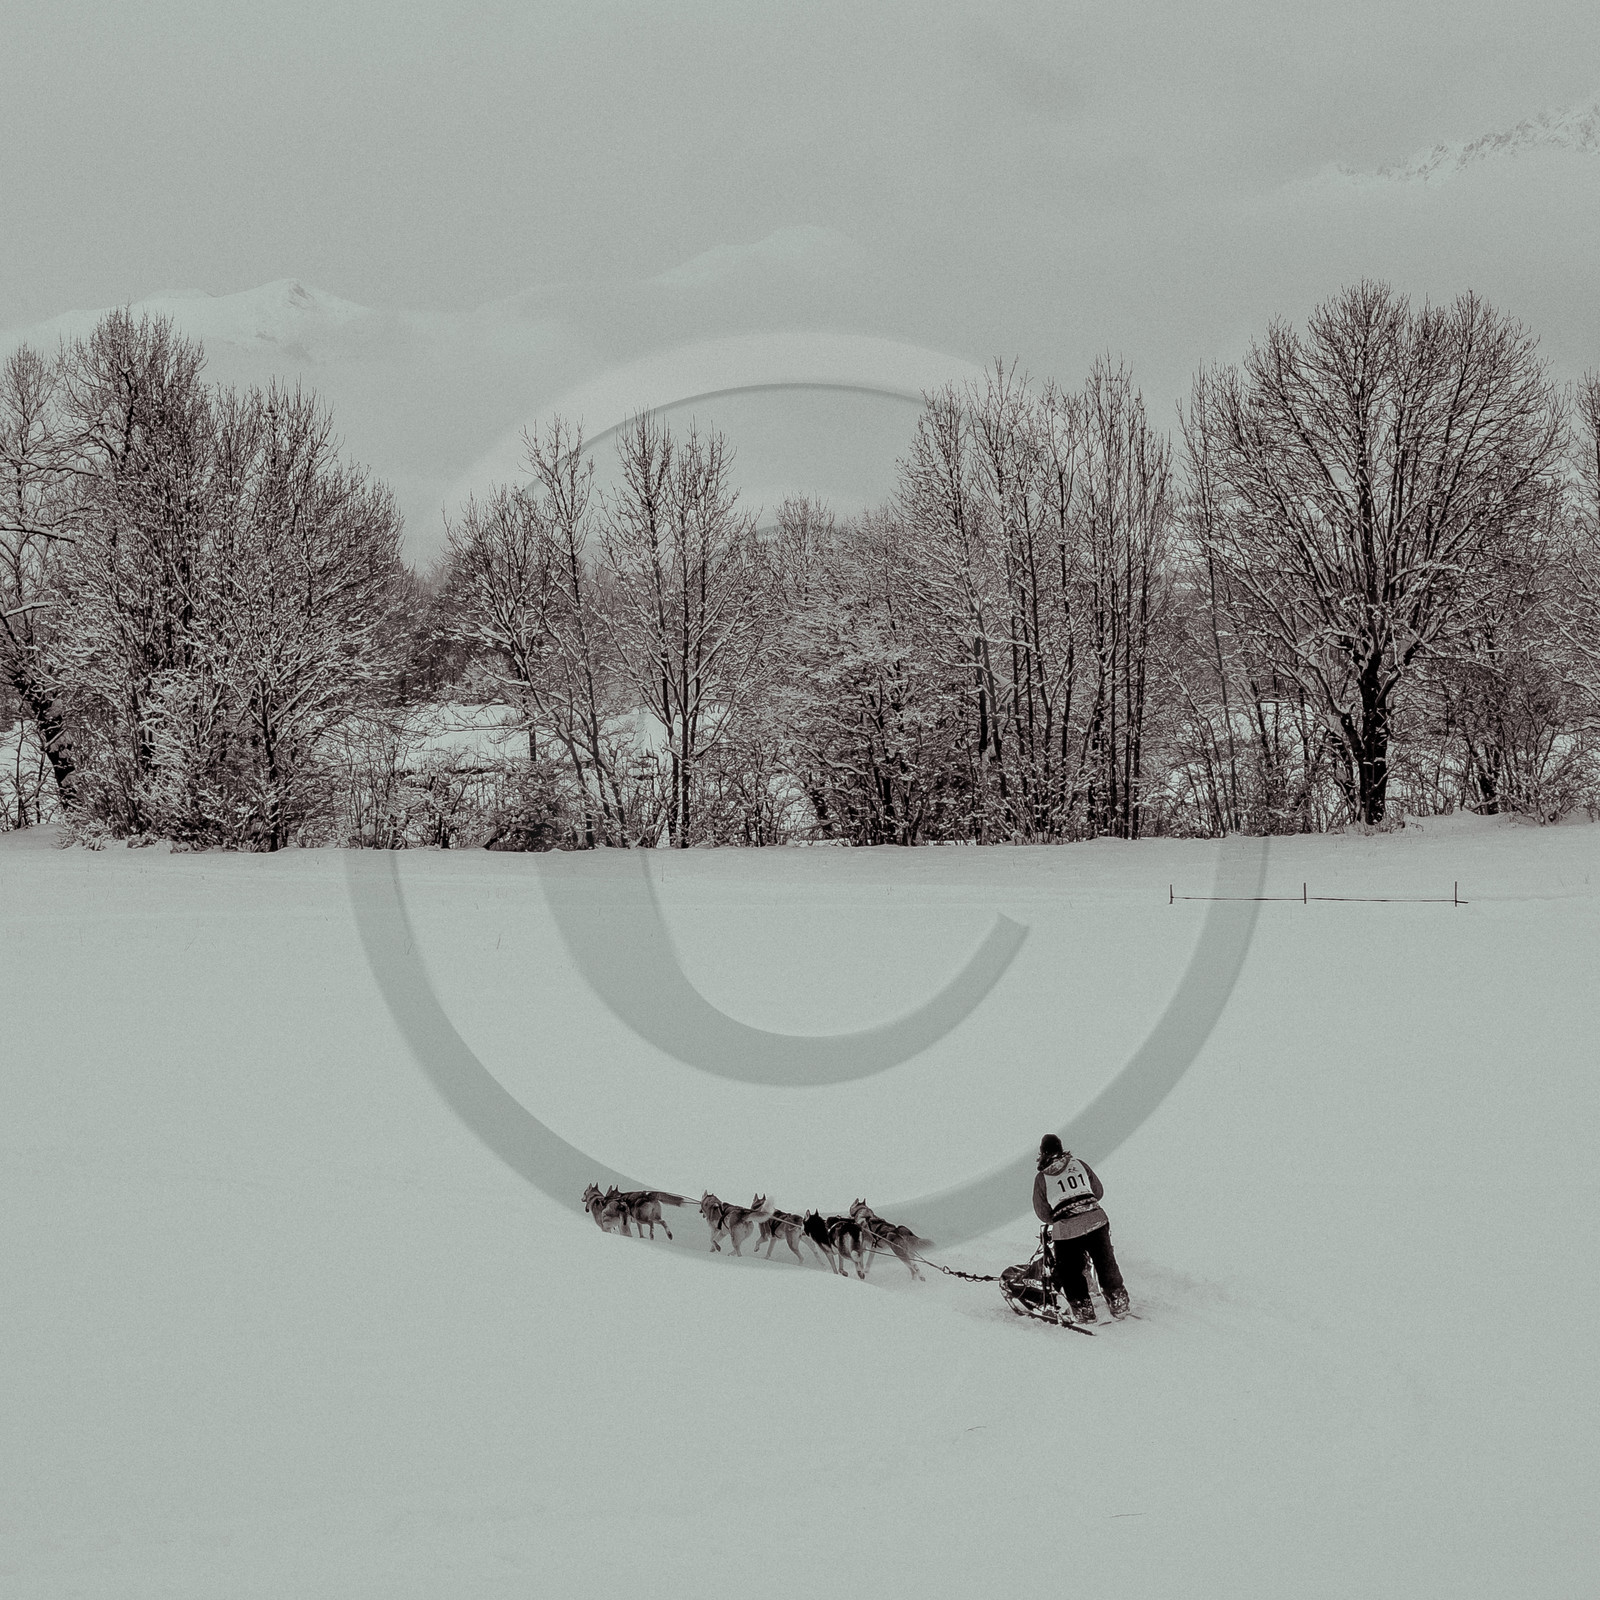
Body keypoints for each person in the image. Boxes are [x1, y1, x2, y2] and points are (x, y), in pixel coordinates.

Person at [1032, 1133, 1130, 1323]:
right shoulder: (1079, 1164)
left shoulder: (1041, 1178)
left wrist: (1059, 1217)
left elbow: (1042, 1212)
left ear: (1042, 1153)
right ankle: (1118, 1301)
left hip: (1067, 1230)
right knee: (1105, 1262)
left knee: (1070, 1271)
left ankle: (1083, 1309)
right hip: (1097, 1220)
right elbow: (1098, 1191)